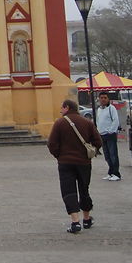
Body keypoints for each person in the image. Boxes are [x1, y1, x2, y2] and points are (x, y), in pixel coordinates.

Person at [47, 99, 103, 234]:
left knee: (68, 191)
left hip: (65, 163)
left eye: (62, 107)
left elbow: (52, 143)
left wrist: (59, 156)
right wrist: (89, 153)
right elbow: (98, 141)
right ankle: (87, 219)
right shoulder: (87, 122)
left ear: (67, 107)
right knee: (84, 189)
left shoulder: (59, 123)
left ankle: (75, 222)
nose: (60, 110)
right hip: (84, 163)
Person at [96, 92, 122, 181]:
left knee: (113, 154)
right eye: (101, 97)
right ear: (98, 99)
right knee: (107, 156)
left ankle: (116, 174)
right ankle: (110, 172)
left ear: (108, 99)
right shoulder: (99, 109)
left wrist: (111, 131)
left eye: (105, 97)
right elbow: (98, 121)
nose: (103, 99)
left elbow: (115, 121)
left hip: (110, 135)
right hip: (102, 135)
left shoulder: (112, 109)